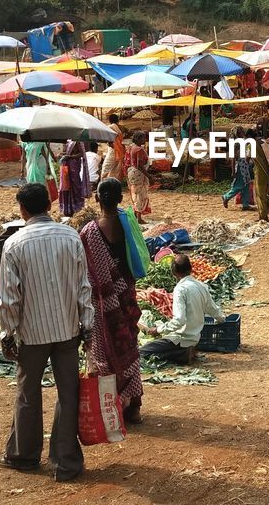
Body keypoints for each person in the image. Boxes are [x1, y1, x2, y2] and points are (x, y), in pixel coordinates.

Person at [0, 183, 94, 481]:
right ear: (49, 205)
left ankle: (24, 455)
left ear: (22, 209)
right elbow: (83, 287)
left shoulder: (15, 244)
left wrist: (7, 333)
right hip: (68, 330)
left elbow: (9, 298)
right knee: (68, 394)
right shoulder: (71, 237)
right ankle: (65, 462)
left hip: (32, 334)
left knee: (28, 393)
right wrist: (87, 327)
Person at [79, 178, 145, 425]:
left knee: (104, 352)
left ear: (97, 199)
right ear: (120, 198)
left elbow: (87, 274)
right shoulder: (129, 223)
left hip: (103, 304)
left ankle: (114, 404)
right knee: (129, 349)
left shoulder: (90, 232)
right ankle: (133, 405)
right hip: (126, 295)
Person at [138, 254, 224, 365]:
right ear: (190, 268)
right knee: (154, 349)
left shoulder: (180, 289)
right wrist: (221, 319)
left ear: (174, 272)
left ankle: (182, 354)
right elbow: (213, 310)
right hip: (194, 339)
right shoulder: (202, 286)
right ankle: (186, 352)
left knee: (142, 352)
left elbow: (179, 320)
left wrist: (158, 330)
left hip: (180, 339)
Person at [58, 140, 90, 218]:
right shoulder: (68, 140)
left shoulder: (78, 141)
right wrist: (62, 155)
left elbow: (81, 154)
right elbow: (67, 153)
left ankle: (77, 208)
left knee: (75, 185)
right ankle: (68, 209)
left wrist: (70, 157)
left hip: (74, 165)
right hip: (67, 165)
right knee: (66, 185)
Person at [252, 130, 269, 222]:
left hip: (259, 172)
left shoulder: (251, 145)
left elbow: (248, 158)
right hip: (267, 171)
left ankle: (263, 216)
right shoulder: (264, 142)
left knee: (260, 194)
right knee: (265, 192)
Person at [126, 131, 152, 222]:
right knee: (140, 194)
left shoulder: (131, 147)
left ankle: (136, 214)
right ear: (137, 139)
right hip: (138, 174)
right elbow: (139, 165)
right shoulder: (139, 149)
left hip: (132, 172)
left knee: (135, 193)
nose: (144, 140)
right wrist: (149, 176)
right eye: (142, 138)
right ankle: (139, 218)